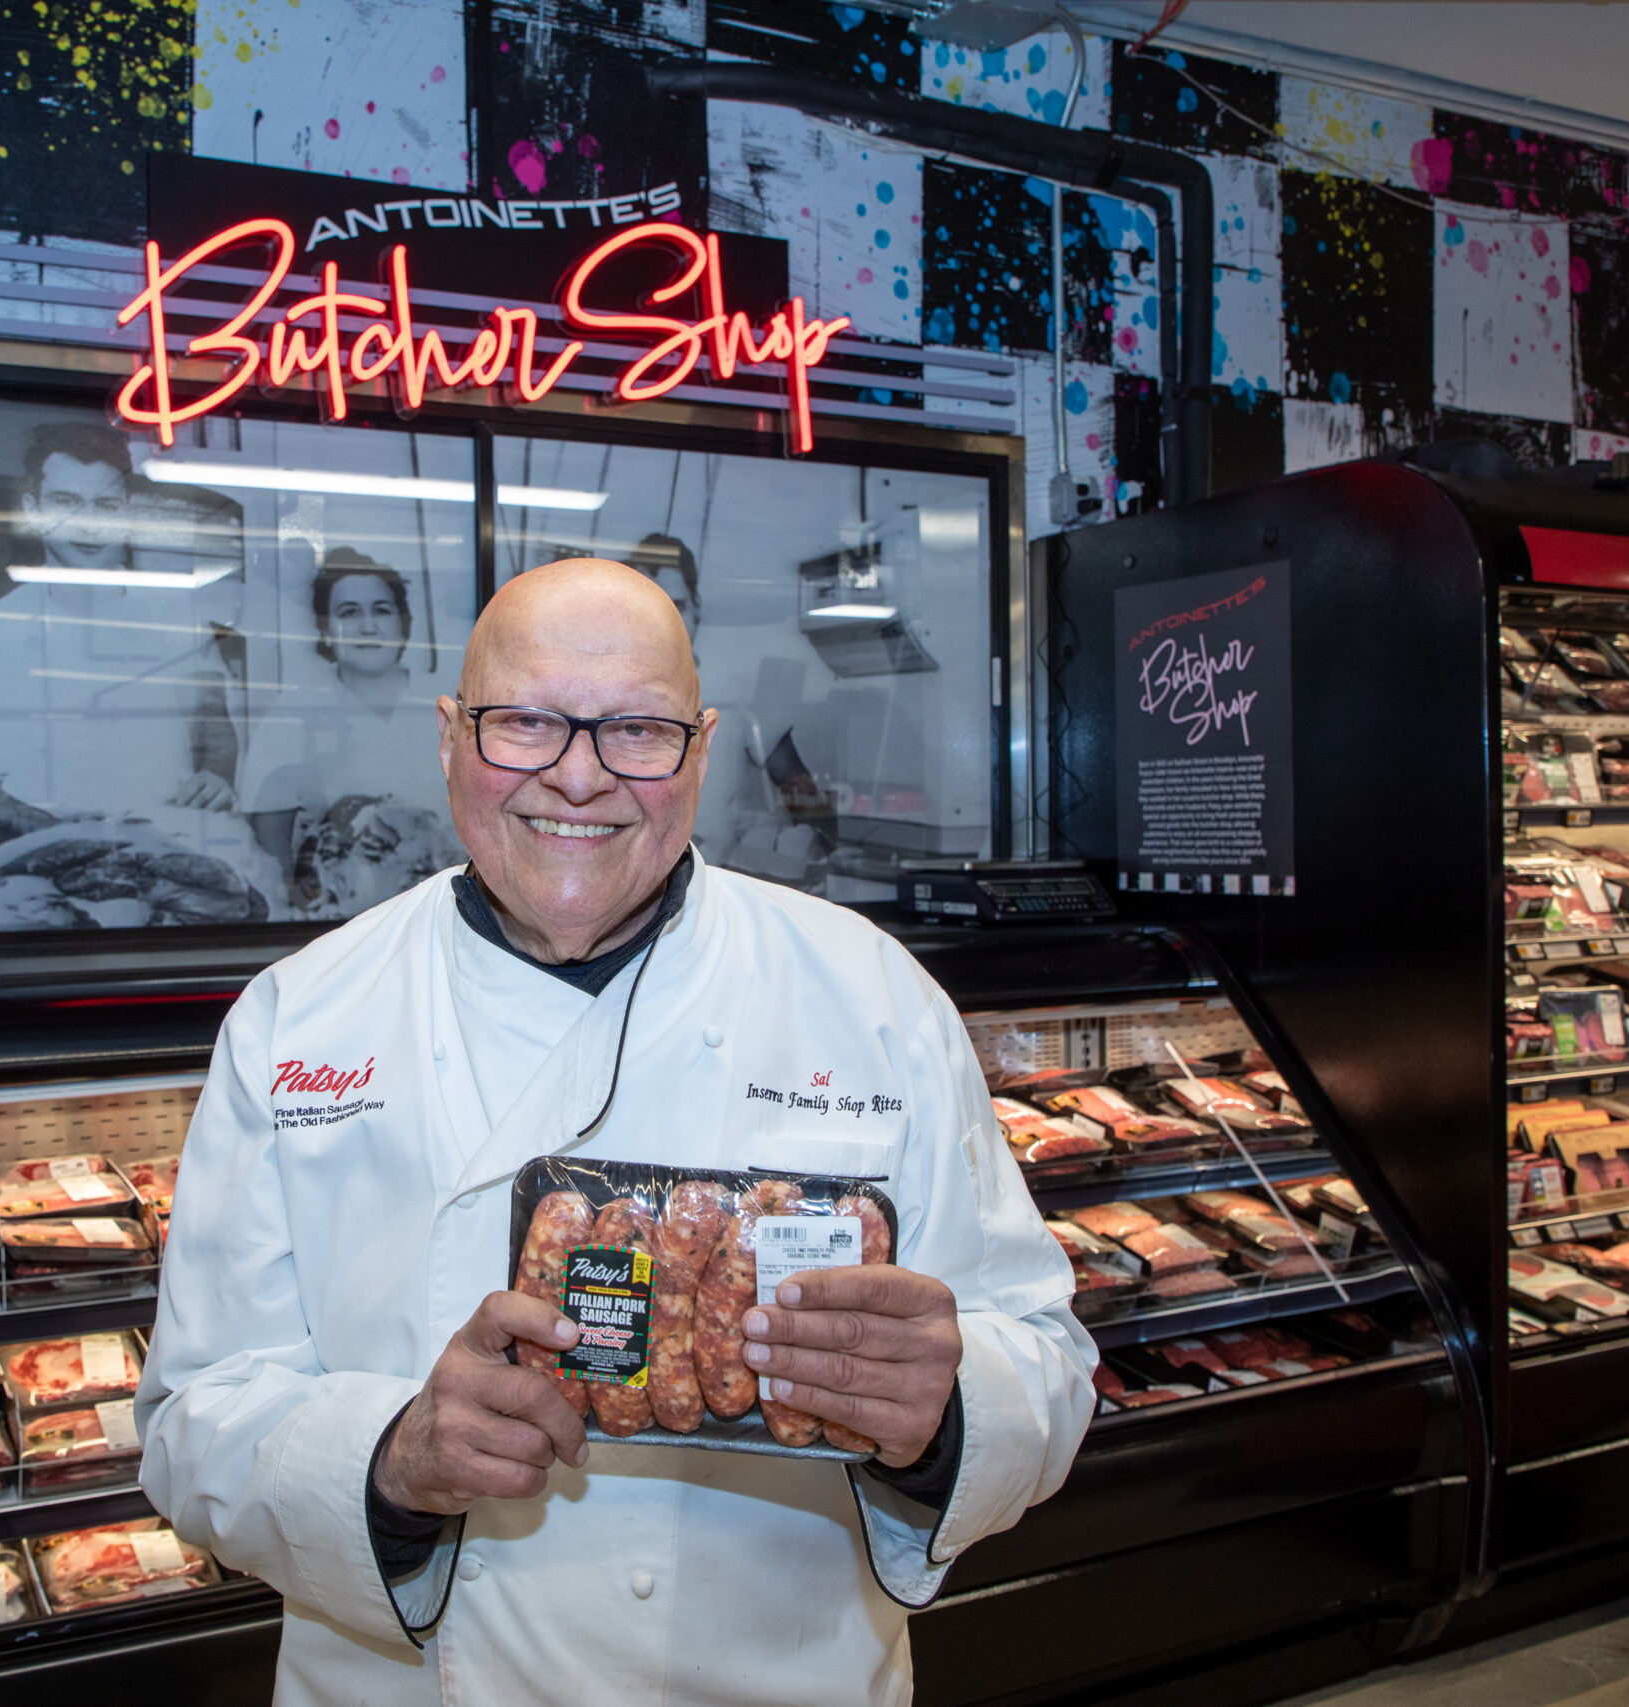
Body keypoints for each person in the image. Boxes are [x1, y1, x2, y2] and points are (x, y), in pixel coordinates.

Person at [138, 557, 1094, 1704]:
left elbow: (1046, 1364)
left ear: (701, 750)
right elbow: (193, 1419)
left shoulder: (869, 995)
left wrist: (943, 1413)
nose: (580, 777)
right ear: (447, 737)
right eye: (524, 722)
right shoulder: (300, 1017)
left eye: (638, 730)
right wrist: (392, 1458)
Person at [0, 423, 245, 922]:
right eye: (67, 502)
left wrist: (215, 774)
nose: (88, 524)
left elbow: (213, 722)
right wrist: (51, 830)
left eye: (105, 506)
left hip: (164, 876)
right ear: (33, 508)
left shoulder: (178, 616)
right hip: (35, 888)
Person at [241, 546, 461, 912]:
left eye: (382, 610)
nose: (368, 626)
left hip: (446, 906)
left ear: (403, 625)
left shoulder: (449, 701)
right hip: (336, 914)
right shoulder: (294, 710)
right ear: (326, 629)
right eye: (349, 612)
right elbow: (271, 841)